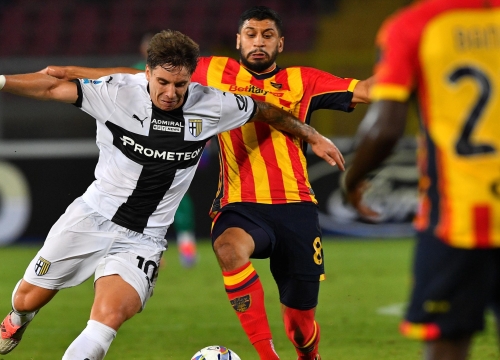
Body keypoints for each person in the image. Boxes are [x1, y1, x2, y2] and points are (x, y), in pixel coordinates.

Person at [0, 29, 345, 359]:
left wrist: (313, 135)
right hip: (90, 218)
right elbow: (53, 88)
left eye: (181, 84)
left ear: (192, 79)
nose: (171, 93)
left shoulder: (212, 104)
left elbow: (266, 109)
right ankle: (18, 317)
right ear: (147, 73)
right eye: (162, 82)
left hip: (143, 239)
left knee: (105, 324)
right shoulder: (117, 92)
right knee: (28, 297)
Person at [43, 6, 371, 360]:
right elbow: (137, 77)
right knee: (228, 249)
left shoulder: (304, 80)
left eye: (267, 36)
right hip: (240, 204)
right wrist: (74, 72)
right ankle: (268, 356)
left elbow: (366, 90)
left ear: (280, 44)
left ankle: (308, 355)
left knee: (300, 326)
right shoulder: (214, 71)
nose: (258, 42)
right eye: (250, 34)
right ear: (238, 40)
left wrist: (412, 74)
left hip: (296, 207)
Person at [342, 1, 500, 359]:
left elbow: (384, 129)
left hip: (458, 219)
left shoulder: (413, 26)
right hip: (462, 216)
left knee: (448, 344)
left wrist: (352, 180)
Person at [135, 32, 200, 268]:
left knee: (179, 195)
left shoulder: (185, 74)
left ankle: (186, 247)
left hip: (174, 145)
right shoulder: (133, 72)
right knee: (143, 195)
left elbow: (199, 109)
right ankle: (144, 246)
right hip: (144, 149)